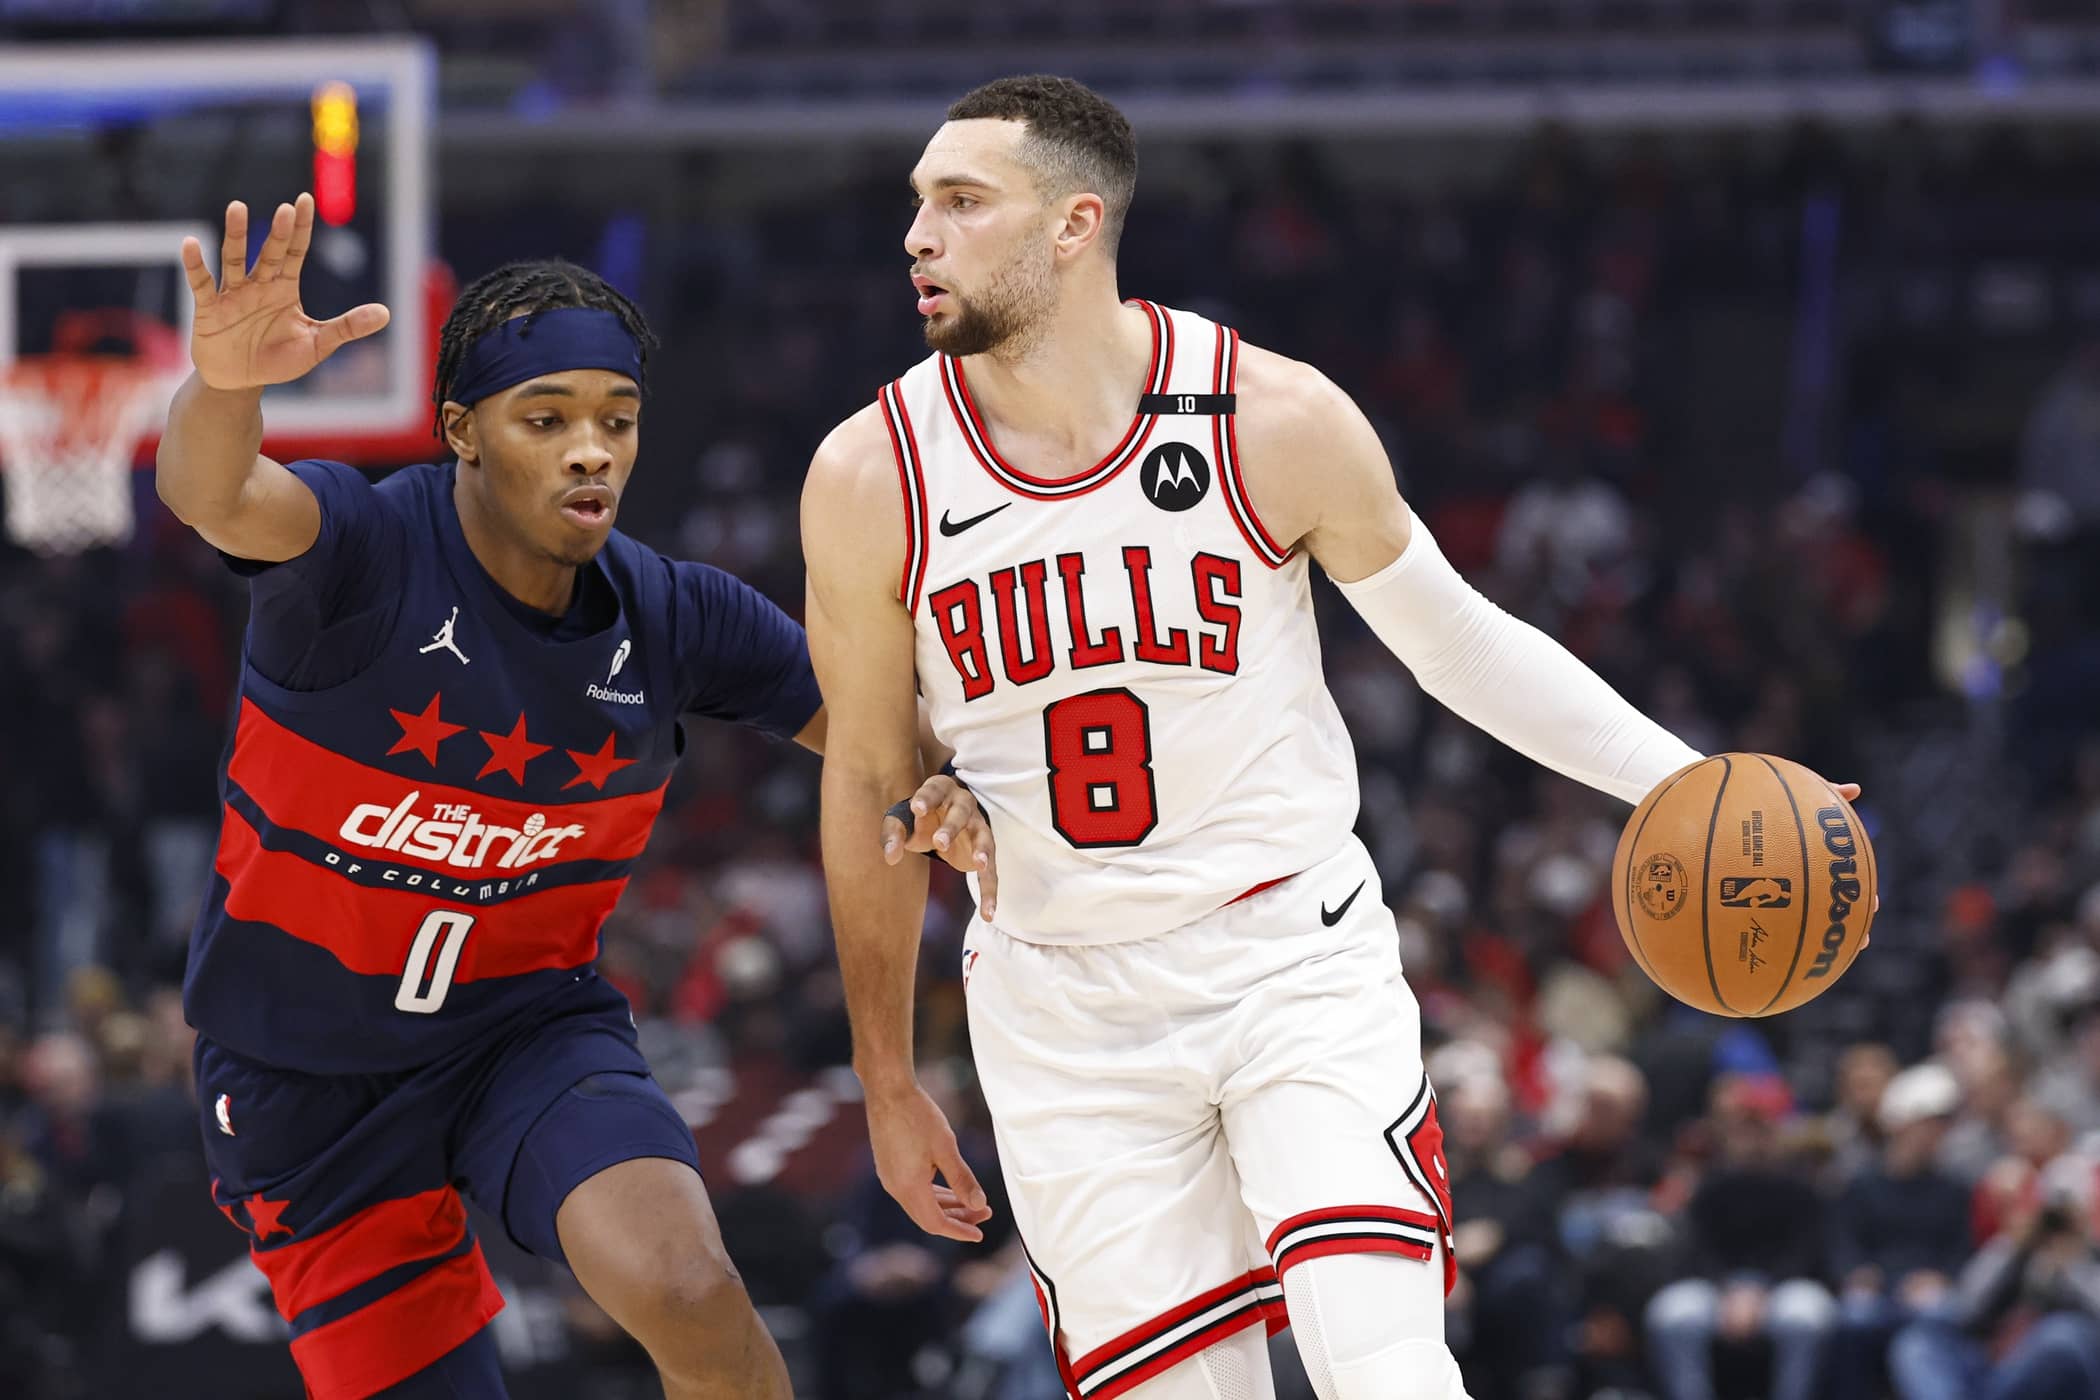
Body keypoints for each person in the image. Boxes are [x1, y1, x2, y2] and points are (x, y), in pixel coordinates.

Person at [800, 75, 1869, 1400]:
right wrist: (887, 1075)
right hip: (1058, 1003)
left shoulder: (1269, 415)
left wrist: (1687, 780)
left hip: (1285, 960)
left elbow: (1458, 642)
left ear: (1076, 224)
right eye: (918, 204)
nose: (919, 234)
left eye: (961, 203)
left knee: (1385, 1365)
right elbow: (865, 773)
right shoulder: (869, 474)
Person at [155, 193, 998, 1400]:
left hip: (524, 1033)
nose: (589, 448)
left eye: (617, 419)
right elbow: (216, 493)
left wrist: (967, 785)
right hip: (303, 1082)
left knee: (689, 1285)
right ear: (461, 430)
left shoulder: (680, 615)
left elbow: (885, 747)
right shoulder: (359, 553)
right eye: (544, 419)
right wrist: (227, 388)